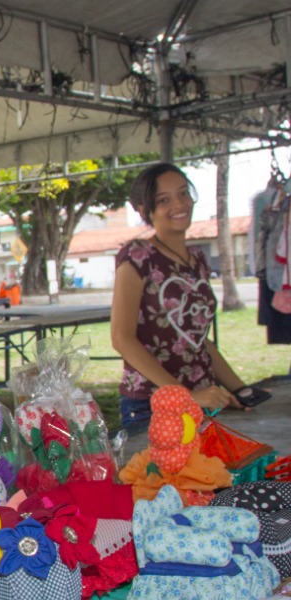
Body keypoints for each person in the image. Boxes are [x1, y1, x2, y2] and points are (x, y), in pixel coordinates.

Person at [110, 162, 268, 434]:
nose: (179, 204)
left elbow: (196, 339)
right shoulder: (138, 256)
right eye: (164, 199)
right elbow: (121, 338)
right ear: (144, 210)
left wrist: (240, 389)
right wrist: (183, 395)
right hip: (153, 405)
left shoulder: (198, 260)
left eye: (183, 193)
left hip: (202, 400)